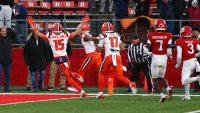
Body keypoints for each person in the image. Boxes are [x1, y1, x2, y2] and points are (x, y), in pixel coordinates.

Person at [27, 16, 88, 97]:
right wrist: (84, 23)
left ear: (53, 29)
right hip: (66, 58)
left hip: (59, 59)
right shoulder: (65, 34)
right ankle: (75, 75)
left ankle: (82, 91)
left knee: (68, 77)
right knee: (67, 73)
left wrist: (31, 24)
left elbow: (37, 33)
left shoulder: (50, 35)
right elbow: (77, 31)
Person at [96, 22, 137, 98]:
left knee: (101, 72)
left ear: (104, 29)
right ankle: (131, 84)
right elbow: (122, 48)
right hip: (117, 56)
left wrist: (97, 45)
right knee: (120, 77)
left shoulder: (103, 36)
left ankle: (101, 93)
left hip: (109, 56)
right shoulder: (117, 35)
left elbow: (98, 50)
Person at [146, 19, 173, 103]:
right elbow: (169, 52)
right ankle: (168, 88)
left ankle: (162, 95)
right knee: (161, 77)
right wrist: (170, 56)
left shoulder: (151, 35)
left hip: (155, 57)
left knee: (154, 79)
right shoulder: (168, 35)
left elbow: (145, 49)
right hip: (164, 58)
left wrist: (149, 53)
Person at [175, 26, 200, 100]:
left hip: (187, 63)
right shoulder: (194, 40)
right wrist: (194, 55)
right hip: (194, 61)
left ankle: (197, 78)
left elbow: (179, 56)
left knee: (184, 81)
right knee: (187, 78)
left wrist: (178, 65)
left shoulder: (179, 41)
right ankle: (187, 96)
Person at [0, 26, 12, 92]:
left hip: (8, 59)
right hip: (0, 60)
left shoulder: (9, 37)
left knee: (7, 75)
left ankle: (7, 88)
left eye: (5, 31)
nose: (4, 32)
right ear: (0, 32)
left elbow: (14, 33)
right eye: (3, 31)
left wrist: (7, 27)